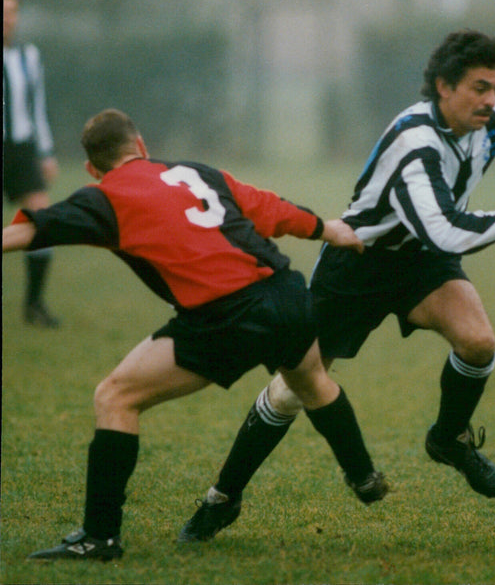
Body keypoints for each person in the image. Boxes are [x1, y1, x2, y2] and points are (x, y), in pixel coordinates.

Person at [179, 29, 495, 541]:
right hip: (359, 263)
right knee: (296, 387)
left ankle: (448, 440)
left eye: (494, 87)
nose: (490, 99)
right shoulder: (415, 147)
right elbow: (445, 232)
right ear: (443, 89)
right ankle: (223, 498)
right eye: (477, 89)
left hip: (421, 261)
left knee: (478, 341)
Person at [2, 109, 388, 561]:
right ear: (141, 145)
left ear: (92, 167)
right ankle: (363, 475)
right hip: (285, 293)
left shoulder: (103, 197)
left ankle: (99, 536)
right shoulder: (193, 171)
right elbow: (267, 207)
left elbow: (32, 229)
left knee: (115, 397)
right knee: (310, 379)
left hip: (225, 317)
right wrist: (328, 229)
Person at [3, 0, 60, 327]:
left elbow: (37, 108)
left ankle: (34, 304)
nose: (7, 17)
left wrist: (46, 152)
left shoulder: (28, 55)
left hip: (22, 150)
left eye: (12, 11)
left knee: (41, 219)